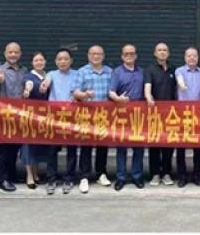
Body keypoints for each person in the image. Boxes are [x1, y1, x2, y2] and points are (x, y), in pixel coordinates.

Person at [71, 45, 113, 194]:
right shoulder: (82, 71)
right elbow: (75, 91)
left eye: (99, 54)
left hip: (104, 114)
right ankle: (84, 176)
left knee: (103, 145)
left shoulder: (110, 72)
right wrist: (84, 95)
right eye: (93, 54)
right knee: (86, 146)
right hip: (86, 114)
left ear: (103, 56)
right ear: (88, 55)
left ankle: (101, 173)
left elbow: (113, 91)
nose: (96, 56)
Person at [109, 44, 145, 191]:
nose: (129, 56)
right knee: (122, 148)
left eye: (132, 53)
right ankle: (121, 177)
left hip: (138, 115)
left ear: (136, 55)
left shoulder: (142, 72)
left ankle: (137, 176)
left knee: (138, 147)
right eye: (126, 54)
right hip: (122, 114)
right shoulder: (117, 72)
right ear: (122, 56)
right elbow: (111, 92)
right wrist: (118, 99)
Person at [0, 42, 28, 192]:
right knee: (1, 148)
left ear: (20, 53)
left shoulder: (24, 70)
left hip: (19, 114)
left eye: (16, 52)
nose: (13, 55)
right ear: (5, 54)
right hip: (2, 114)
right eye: (10, 52)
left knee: (14, 147)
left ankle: (12, 174)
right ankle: (2, 179)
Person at [45, 48, 78, 194]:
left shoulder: (77, 74)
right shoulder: (51, 74)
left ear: (71, 61)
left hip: (72, 117)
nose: (63, 61)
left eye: (66, 59)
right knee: (52, 150)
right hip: (54, 117)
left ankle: (69, 178)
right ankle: (51, 179)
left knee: (71, 150)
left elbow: (79, 90)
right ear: (56, 61)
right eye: (60, 59)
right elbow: (46, 83)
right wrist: (44, 85)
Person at [145, 43, 177, 187]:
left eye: (165, 50)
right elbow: (147, 86)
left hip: (171, 114)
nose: (162, 52)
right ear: (155, 53)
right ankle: (155, 174)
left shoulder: (173, 69)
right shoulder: (150, 70)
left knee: (168, 145)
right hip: (154, 113)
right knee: (154, 144)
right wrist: (148, 97)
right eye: (159, 50)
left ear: (168, 53)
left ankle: (166, 173)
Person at [175, 46, 200, 187]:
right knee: (180, 147)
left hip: (199, 115)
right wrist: (182, 86)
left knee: (198, 147)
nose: (192, 58)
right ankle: (182, 176)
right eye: (189, 56)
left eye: (194, 55)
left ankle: (197, 175)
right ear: (185, 58)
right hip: (182, 114)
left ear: (198, 57)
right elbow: (180, 80)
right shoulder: (179, 71)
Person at [19, 52, 52, 189]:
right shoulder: (29, 76)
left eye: (41, 60)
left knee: (38, 144)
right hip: (30, 116)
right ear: (32, 63)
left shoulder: (48, 76)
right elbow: (29, 85)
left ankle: (36, 172)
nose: (39, 62)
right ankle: (29, 175)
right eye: (36, 60)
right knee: (28, 145)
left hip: (45, 117)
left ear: (45, 61)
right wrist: (27, 91)